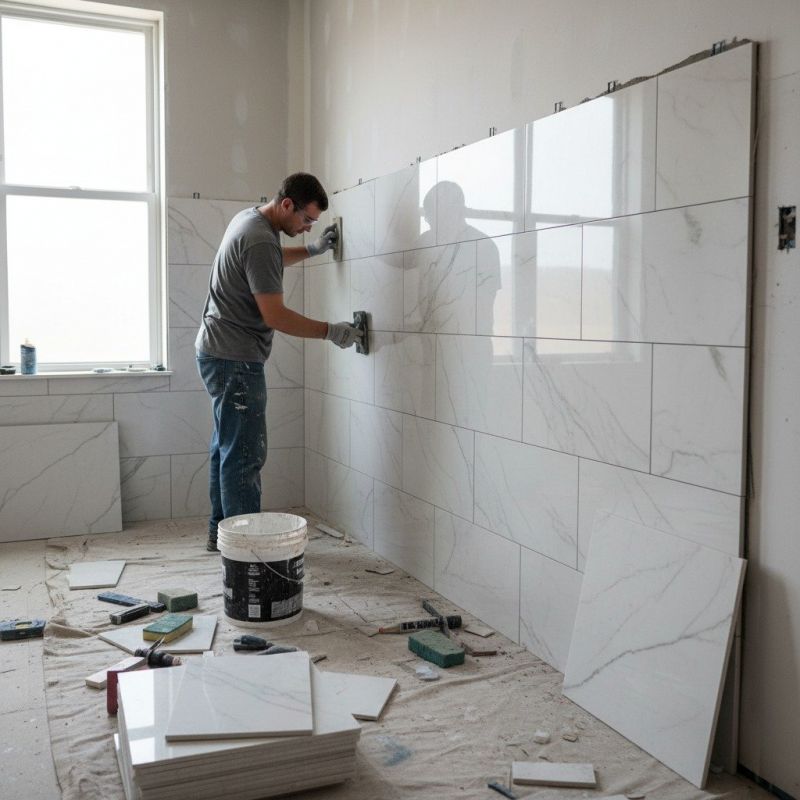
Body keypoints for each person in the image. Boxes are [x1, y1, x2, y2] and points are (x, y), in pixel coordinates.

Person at [195, 172, 362, 552]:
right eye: (306, 220)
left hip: (217, 351)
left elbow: (267, 259)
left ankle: (219, 536)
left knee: (227, 446)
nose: (306, 228)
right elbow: (275, 315)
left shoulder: (250, 220)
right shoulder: (257, 237)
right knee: (244, 456)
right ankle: (246, 551)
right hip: (235, 359)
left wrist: (313, 250)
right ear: (287, 205)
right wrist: (330, 331)